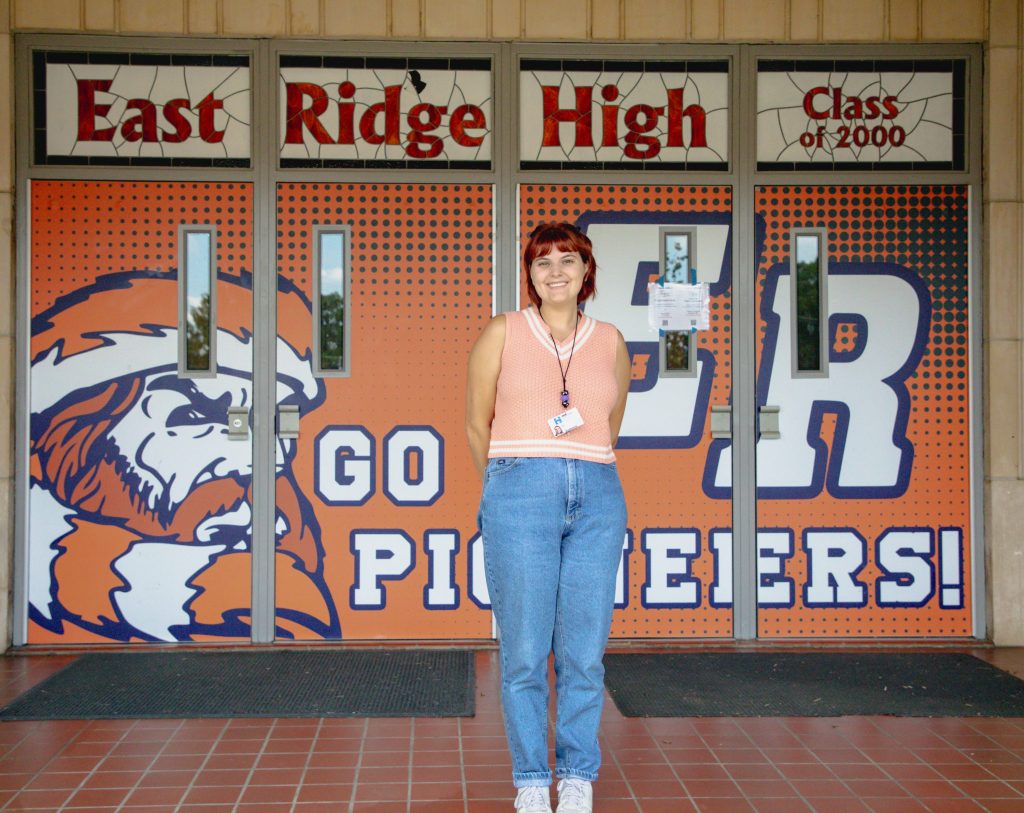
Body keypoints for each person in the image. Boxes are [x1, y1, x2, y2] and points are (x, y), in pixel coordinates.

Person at [465, 222, 630, 813]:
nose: (555, 271)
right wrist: (506, 484)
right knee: (526, 650)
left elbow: (611, 423)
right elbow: (473, 422)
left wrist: (577, 467)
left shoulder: (610, 340)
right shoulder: (503, 332)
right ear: (529, 275)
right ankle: (533, 779)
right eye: (542, 262)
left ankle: (578, 774)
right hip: (520, 489)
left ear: (587, 271)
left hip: (598, 492)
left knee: (585, 649)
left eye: (568, 259)